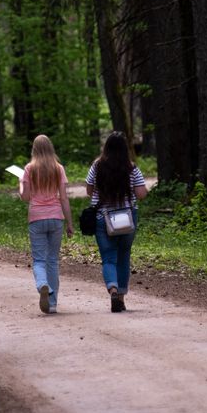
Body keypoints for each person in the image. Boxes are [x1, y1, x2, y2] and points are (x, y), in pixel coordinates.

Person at [85, 131, 148, 312]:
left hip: (102, 219)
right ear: (125, 149)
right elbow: (141, 194)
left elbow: (89, 191)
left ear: (106, 147)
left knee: (108, 258)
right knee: (123, 256)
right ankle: (120, 296)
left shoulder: (97, 167)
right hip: (126, 218)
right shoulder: (131, 168)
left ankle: (112, 288)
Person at [18, 134, 74, 314]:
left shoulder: (29, 169)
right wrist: (69, 223)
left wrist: (21, 184)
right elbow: (64, 198)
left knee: (40, 259)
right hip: (56, 217)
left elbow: (25, 197)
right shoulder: (58, 168)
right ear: (51, 148)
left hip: (36, 218)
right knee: (53, 260)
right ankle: (52, 303)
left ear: (34, 150)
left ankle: (42, 284)